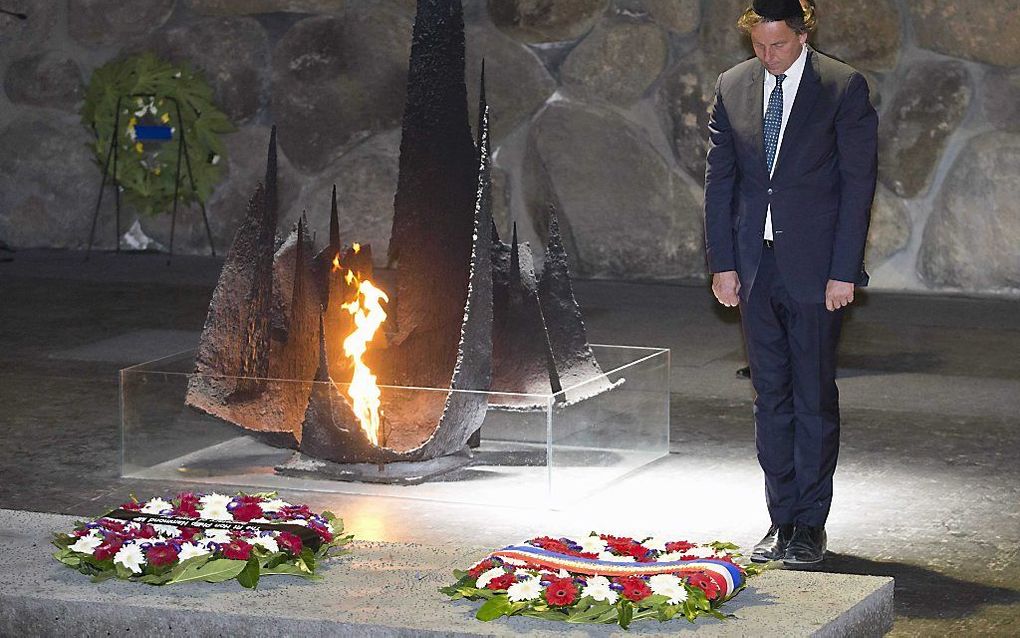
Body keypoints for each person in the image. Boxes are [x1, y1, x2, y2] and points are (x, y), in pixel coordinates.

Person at [703, 0, 877, 565]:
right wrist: (722, 262)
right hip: (755, 266)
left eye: (778, 45)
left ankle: (810, 523)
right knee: (769, 397)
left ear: (802, 34)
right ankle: (780, 520)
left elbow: (858, 185)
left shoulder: (842, 86)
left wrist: (844, 270)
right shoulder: (733, 85)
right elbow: (720, 181)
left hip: (817, 268)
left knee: (813, 398)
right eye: (759, 45)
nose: (768, 56)